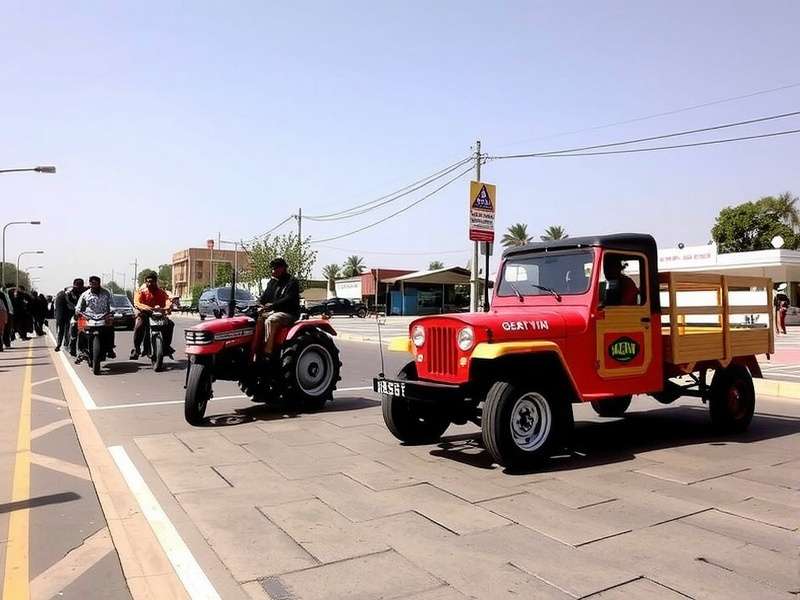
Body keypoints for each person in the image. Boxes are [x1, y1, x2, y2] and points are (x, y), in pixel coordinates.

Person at [258, 257, 300, 358]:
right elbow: (264, 298)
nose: (272, 271)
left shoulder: (292, 282)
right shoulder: (273, 282)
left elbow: (289, 298)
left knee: (271, 320)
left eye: (275, 268)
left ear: (282, 268)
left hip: (289, 313)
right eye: (272, 269)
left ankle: (268, 353)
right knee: (257, 319)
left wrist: (272, 305)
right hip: (275, 311)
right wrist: (258, 304)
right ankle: (256, 349)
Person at [130, 272, 175, 359]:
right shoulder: (142, 292)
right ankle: (137, 349)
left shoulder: (161, 292)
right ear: (145, 282)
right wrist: (147, 308)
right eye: (148, 282)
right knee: (139, 326)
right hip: (145, 314)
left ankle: (166, 346)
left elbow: (167, 301)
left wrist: (167, 307)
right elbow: (137, 302)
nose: (150, 284)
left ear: (155, 282)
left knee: (170, 324)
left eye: (152, 281)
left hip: (158, 314)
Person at [75, 276, 116, 360]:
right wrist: (78, 312)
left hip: (103, 317)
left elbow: (112, 305)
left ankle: (110, 348)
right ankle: (81, 351)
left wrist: (112, 312)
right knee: (80, 329)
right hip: (88, 317)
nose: (93, 286)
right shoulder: (85, 295)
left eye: (95, 284)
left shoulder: (106, 293)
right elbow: (78, 307)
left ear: (99, 284)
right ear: (89, 284)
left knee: (111, 327)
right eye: (92, 284)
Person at [54, 279, 85, 352]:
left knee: (71, 327)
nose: (79, 287)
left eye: (80, 286)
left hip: (71, 310)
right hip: (63, 309)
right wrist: (76, 308)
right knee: (62, 328)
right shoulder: (68, 292)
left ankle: (67, 344)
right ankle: (59, 344)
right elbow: (69, 302)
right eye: (77, 286)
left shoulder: (84, 290)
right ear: (74, 285)